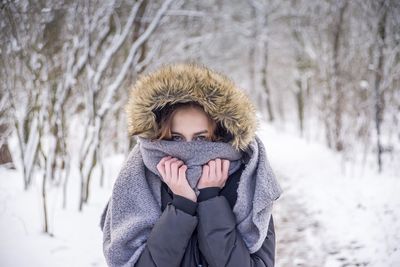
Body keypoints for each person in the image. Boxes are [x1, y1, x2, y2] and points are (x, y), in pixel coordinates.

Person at [100, 63, 283, 267]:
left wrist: (211, 200)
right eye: (176, 138)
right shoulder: (140, 180)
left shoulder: (246, 180)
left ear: (220, 135)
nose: (188, 150)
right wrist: (182, 205)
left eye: (200, 139)